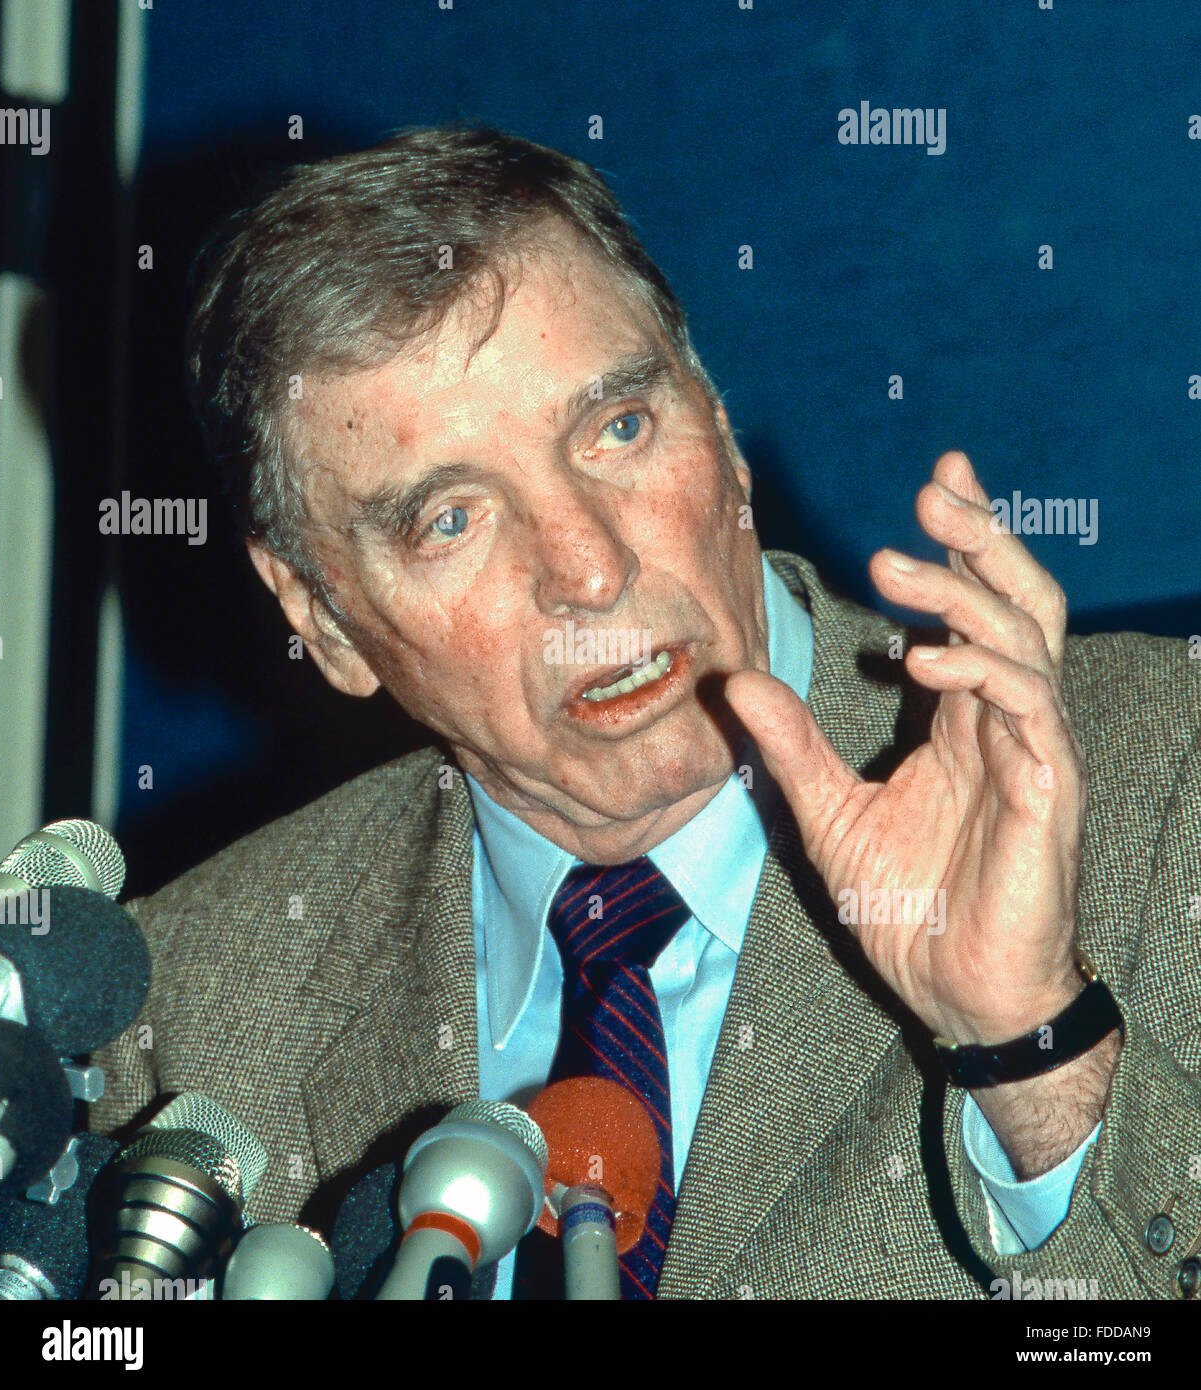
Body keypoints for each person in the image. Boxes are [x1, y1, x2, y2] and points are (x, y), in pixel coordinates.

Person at [91, 126, 1201, 1300]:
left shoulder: (1168, 770)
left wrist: (1034, 1047)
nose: (587, 569)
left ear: (715, 419)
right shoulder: (181, 1017)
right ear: (318, 615)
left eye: (616, 430)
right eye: (451, 519)